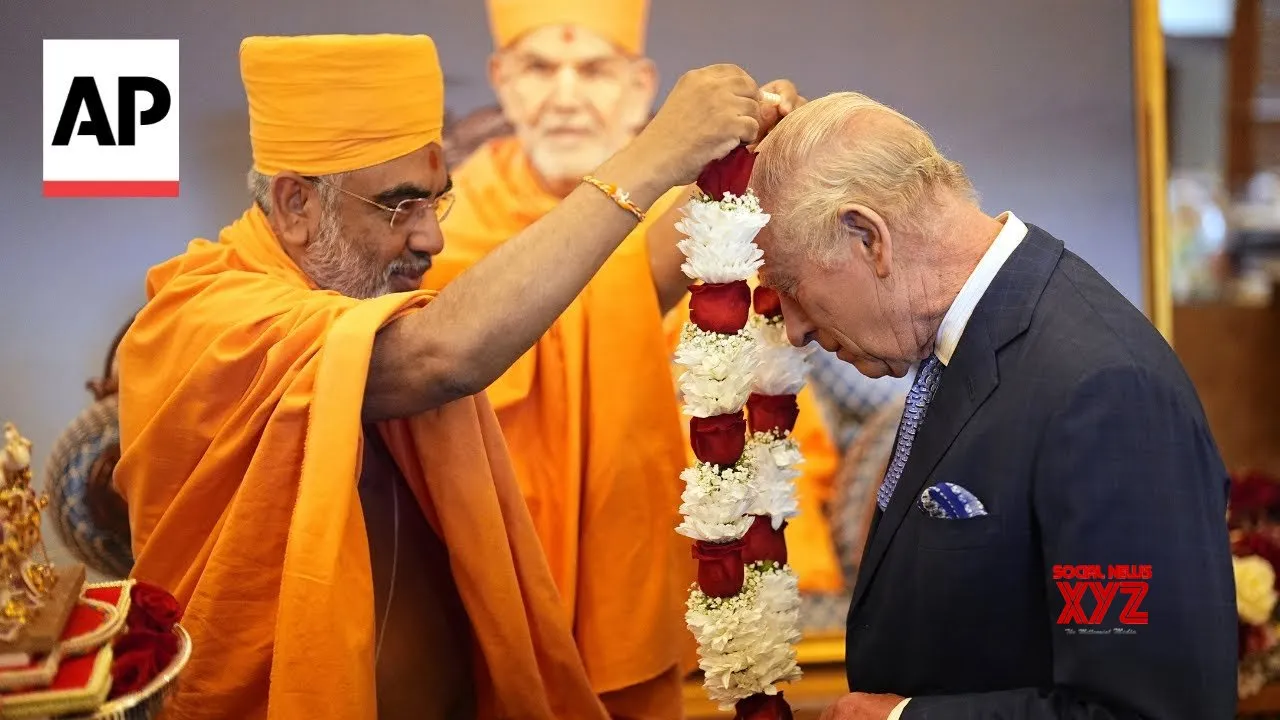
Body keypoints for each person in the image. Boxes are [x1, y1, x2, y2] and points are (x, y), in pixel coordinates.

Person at [112, 33, 775, 720]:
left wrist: (756, 168)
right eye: (402, 207)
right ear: (296, 206)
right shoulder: (208, 319)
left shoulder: (366, 303)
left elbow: (594, 311)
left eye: (437, 203)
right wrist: (653, 156)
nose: (432, 240)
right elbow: (442, 355)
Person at [749, 92, 1238, 720]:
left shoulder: (1104, 392)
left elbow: (1150, 712)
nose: (792, 328)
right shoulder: (971, 339)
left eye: (789, 284)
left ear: (869, 238)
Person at [429, 0, 841, 713]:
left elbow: (764, 394)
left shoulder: (712, 205)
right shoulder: (446, 221)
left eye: (592, 69)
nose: (564, 95)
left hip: (674, 553)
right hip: (508, 562)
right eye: (537, 68)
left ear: (641, 85)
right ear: (502, 79)